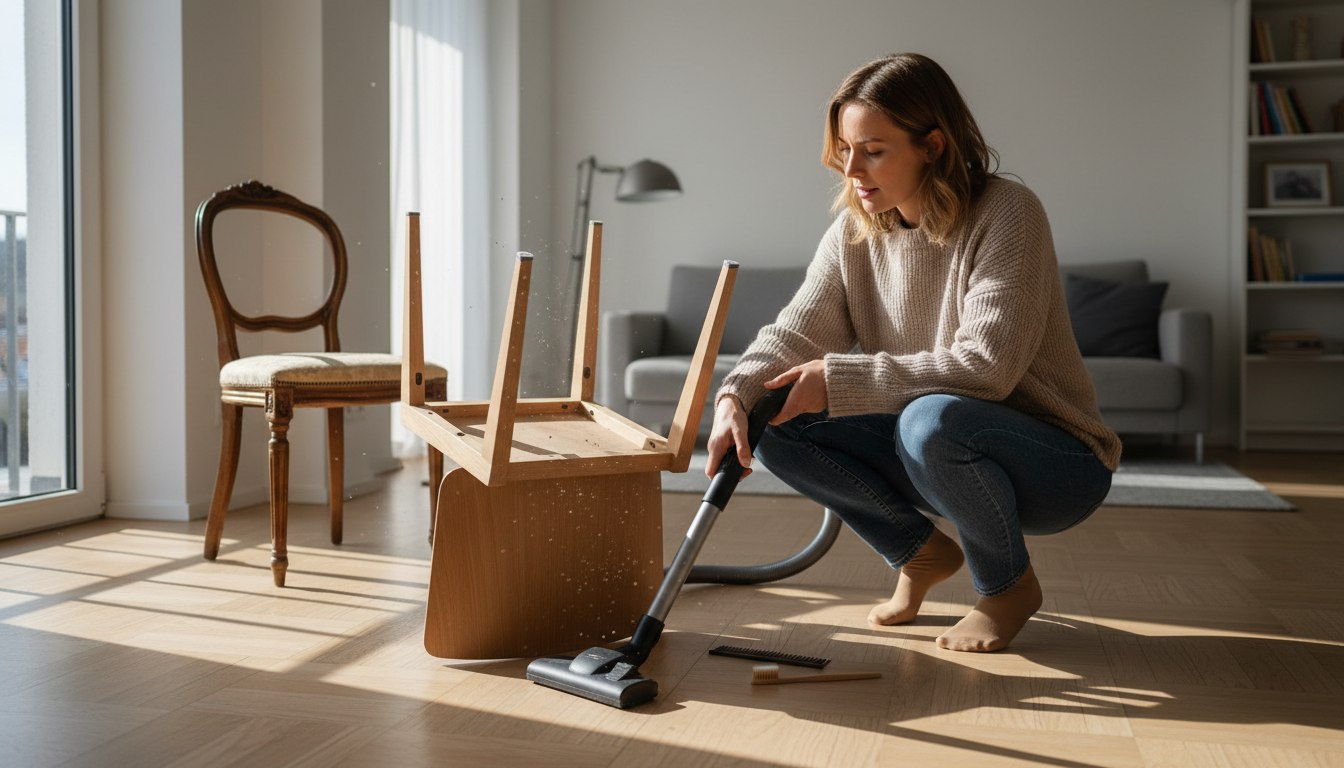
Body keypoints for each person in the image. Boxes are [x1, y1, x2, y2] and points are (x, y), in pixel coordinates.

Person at [706, 53, 1120, 653]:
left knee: (933, 419)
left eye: (873, 150)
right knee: (773, 415)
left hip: (1054, 462)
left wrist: (839, 379)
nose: (852, 169)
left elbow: (987, 368)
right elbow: (796, 331)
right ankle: (917, 551)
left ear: (933, 146)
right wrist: (735, 396)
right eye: (845, 151)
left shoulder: (1009, 214)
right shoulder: (854, 232)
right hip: (933, 451)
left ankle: (1007, 587)